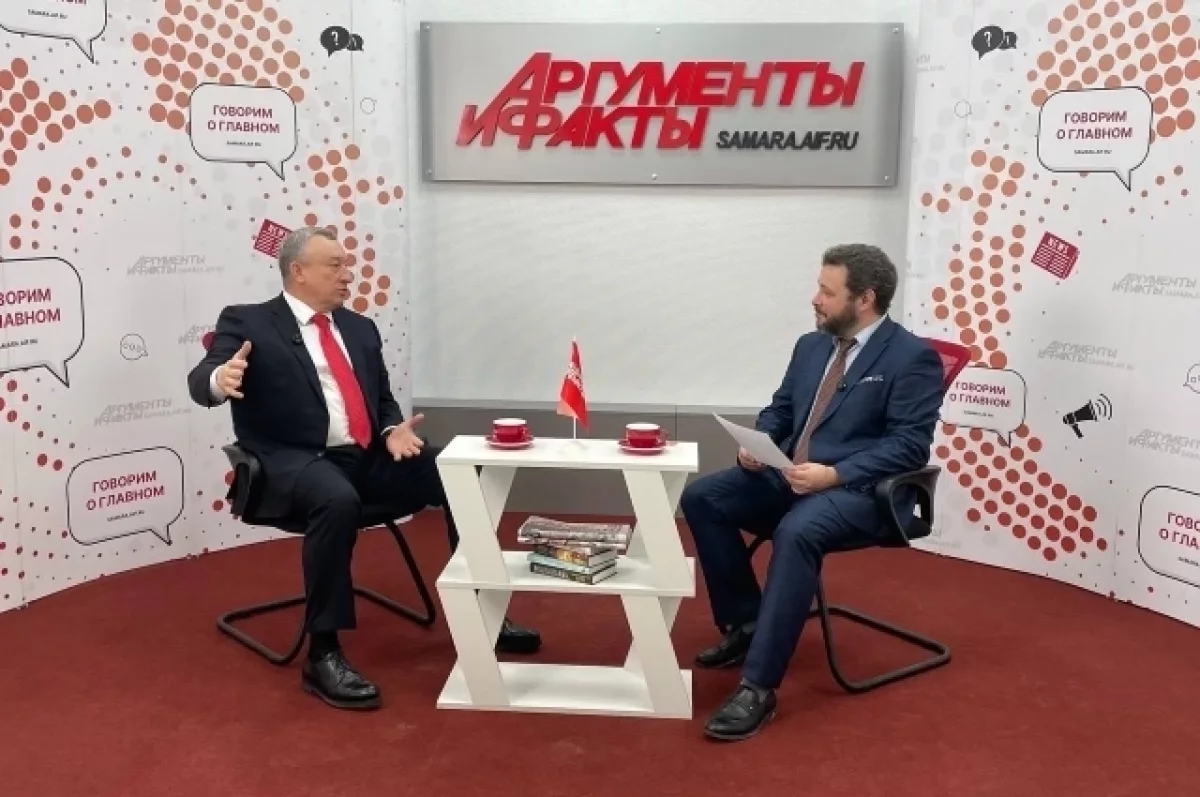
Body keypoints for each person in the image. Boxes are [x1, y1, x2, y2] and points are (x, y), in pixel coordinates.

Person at [187, 225, 541, 711]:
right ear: (298, 271)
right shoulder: (248, 321)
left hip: (366, 456)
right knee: (336, 499)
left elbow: (382, 399)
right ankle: (323, 654)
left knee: (462, 472)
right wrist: (219, 378)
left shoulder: (359, 328)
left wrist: (392, 427)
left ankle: (485, 616)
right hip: (292, 461)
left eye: (347, 266)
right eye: (335, 266)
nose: (347, 275)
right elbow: (201, 380)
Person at [680, 244, 945, 741]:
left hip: (862, 492)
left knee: (797, 531)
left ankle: (758, 687)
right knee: (703, 497)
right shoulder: (811, 346)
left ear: (864, 299)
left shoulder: (913, 358)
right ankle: (746, 624)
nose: (815, 299)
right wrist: (760, 443)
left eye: (827, 291)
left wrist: (834, 474)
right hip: (790, 476)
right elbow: (781, 409)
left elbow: (909, 446)